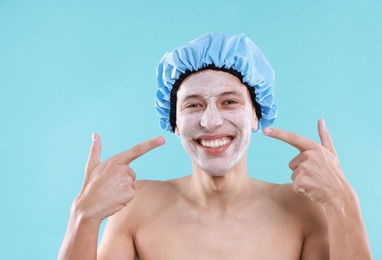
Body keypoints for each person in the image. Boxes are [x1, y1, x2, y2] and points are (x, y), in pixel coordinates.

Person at [59, 33, 372, 259]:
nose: (210, 121)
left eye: (229, 101)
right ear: (175, 122)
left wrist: (344, 203)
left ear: (255, 114)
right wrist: (83, 217)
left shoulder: (303, 209)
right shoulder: (136, 208)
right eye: (193, 105)